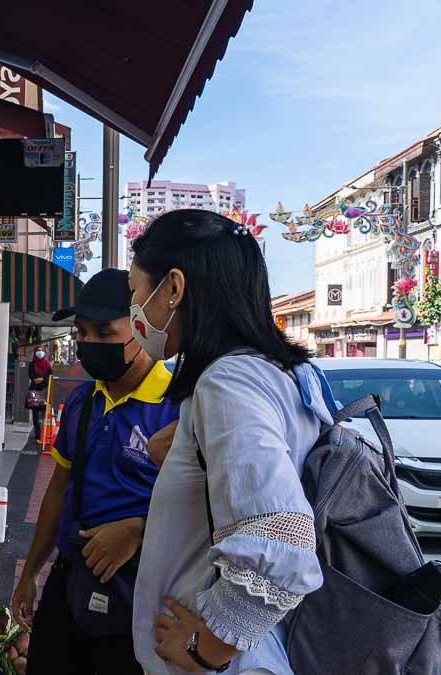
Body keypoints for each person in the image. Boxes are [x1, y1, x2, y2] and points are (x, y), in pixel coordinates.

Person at [128, 209, 329, 674]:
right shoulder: (284, 373)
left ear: (173, 288)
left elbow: (284, 539)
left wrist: (206, 647)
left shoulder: (229, 382)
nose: (134, 308)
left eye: (136, 291)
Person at [12, 268, 180, 675]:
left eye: (104, 333)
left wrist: (140, 531)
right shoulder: (82, 403)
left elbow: (212, 513)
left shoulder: (181, 407)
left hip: (143, 597)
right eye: (82, 332)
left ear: (142, 327)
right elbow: (57, 490)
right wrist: (32, 571)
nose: (89, 344)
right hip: (71, 582)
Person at [28, 348, 52, 434]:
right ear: (35, 353)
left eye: (41, 351)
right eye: (38, 351)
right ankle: (38, 434)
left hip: (45, 390)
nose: (40, 352)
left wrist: (42, 379)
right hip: (34, 390)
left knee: (45, 412)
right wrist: (36, 379)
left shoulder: (47, 364)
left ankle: (45, 434)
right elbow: (30, 374)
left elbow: (50, 375)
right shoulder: (31, 364)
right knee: (35, 414)